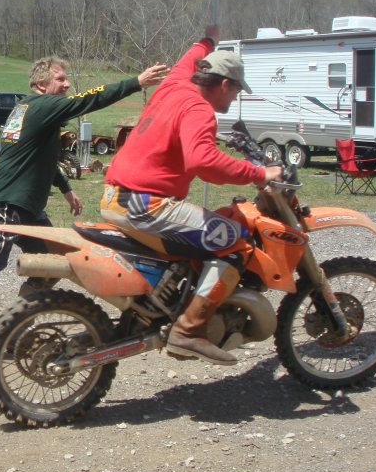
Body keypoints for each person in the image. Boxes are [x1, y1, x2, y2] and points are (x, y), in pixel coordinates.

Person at [0, 56, 170, 370]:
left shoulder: (29, 110)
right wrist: (136, 82)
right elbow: (89, 99)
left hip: (29, 208)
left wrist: (65, 188)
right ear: (42, 85)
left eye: (66, 79)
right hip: (4, 204)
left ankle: (12, 330)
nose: (67, 84)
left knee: (53, 266)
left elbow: (37, 155)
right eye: (60, 79)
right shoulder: (42, 106)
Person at [100, 26, 282, 366]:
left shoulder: (175, 84)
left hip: (116, 196)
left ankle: (171, 303)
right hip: (146, 204)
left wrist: (208, 40)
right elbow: (203, 161)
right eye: (237, 90)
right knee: (235, 242)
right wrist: (259, 173)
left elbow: (190, 57)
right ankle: (188, 330)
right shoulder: (199, 108)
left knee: (206, 234)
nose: (235, 98)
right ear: (225, 84)